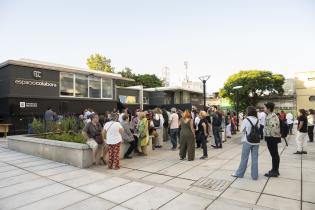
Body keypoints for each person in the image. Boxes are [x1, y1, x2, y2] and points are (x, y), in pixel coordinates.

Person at [232, 106, 260, 180]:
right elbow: (259, 129)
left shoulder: (246, 120)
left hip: (247, 140)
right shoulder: (257, 120)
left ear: (248, 112)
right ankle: (255, 176)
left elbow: (241, 130)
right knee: (255, 159)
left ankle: (240, 173)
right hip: (256, 141)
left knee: (244, 158)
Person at [264, 102, 281, 177]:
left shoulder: (272, 116)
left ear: (269, 109)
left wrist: (266, 133)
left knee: (274, 154)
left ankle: (275, 171)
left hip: (272, 137)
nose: (263, 109)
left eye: (265, 107)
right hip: (270, 137)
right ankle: (274, 169)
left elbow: (273, 128)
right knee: (273, 154)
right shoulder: (269, 115)